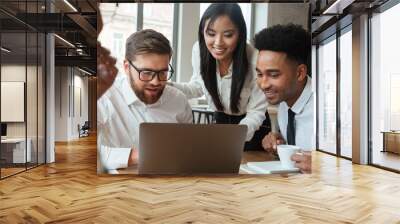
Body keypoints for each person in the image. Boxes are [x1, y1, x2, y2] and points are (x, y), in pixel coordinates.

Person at [171, 3, 269, 150]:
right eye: (211, 34)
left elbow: (256, 112)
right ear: (202, 32)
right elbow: (198, 86)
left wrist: (234, 136)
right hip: (220, 121)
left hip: (252, 128)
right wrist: (167, 86)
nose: (218, 43)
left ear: (240, 33)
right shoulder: (199, 50)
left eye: (228, 35)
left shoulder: (255, 60)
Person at [97, 29, 193, 174]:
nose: (155, 82)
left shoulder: (179, 100)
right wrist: (139, 155)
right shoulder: (104, 98)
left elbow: (189, 147)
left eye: (163, 72)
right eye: (146, 73)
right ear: (127, 67)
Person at [254, 24, 313, 173]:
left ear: (300, 73)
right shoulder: (284, 105)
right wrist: (279, 144)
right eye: (260, 74)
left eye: (273, 75)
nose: (263, 84)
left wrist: (323, 165)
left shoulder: (327, 107)